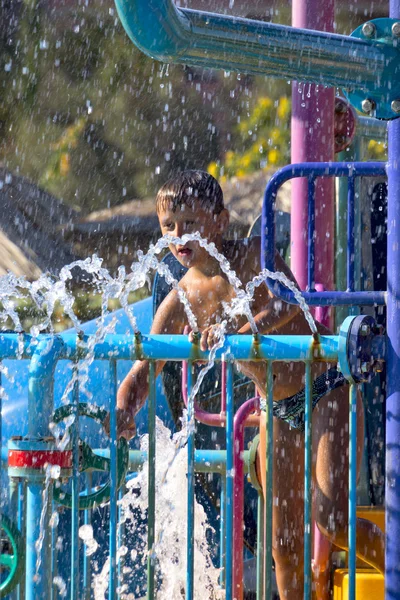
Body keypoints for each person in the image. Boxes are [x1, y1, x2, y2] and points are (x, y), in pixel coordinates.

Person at [114, 169, 384, 598]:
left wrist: (236, 330)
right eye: (169, 226)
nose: (179, 235)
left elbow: (289, 302)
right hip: (278, 410)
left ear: (220, 221)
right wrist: (125, 406)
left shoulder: (255, 257)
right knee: (283, 545)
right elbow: (146, 367)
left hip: (327, 390)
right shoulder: (181, 298)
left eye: (191, 223)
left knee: (331, 517)